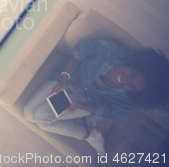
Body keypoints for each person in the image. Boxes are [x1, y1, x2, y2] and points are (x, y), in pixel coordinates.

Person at [23, 38, 169, 156]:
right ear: (137, 65)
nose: (125, 80)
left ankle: (90, 135)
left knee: (41, 118)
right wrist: (64, 79)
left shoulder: (129, 99)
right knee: (29, 114)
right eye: (132, 74)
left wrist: (80, 106)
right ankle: (86, 122)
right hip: (68, 79)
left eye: (131, 86)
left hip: (86, 100)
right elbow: (78, 53)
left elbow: (107, 111)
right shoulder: (110, 50)